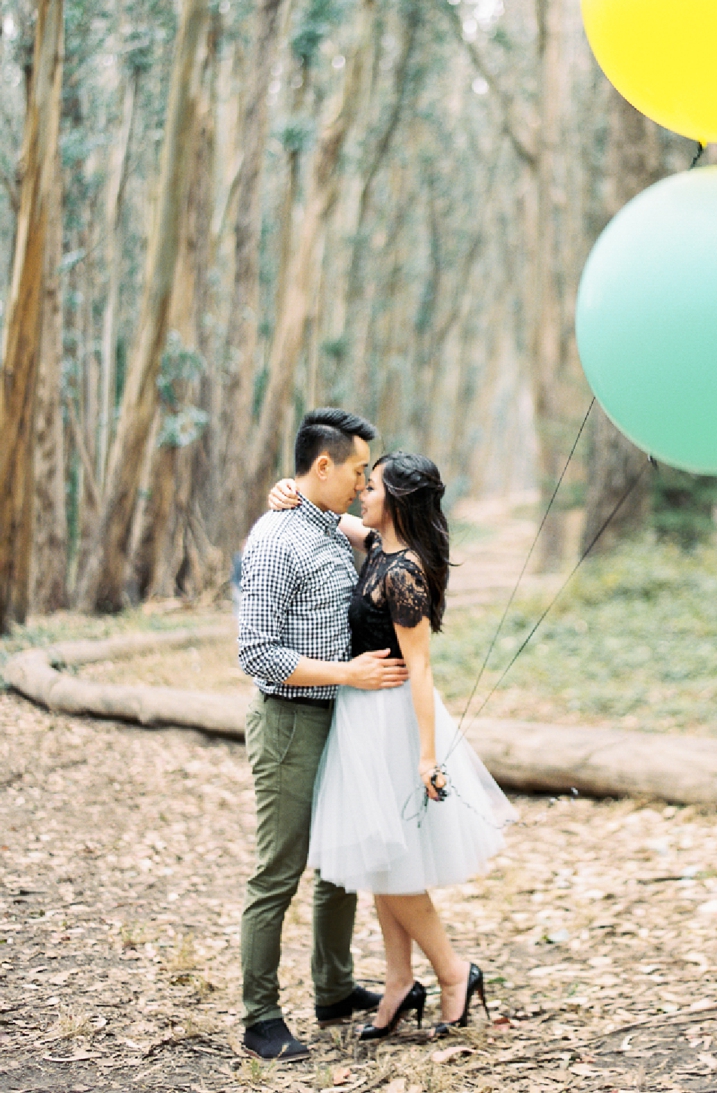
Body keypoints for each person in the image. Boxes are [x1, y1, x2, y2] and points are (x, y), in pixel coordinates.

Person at [268, 451, 514, 1039]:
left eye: (371, 486)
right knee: (382, 861)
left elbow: (422, 670)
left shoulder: (404, 572)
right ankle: (401, 982)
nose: (361, 493)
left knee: (391, 863)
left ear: (396, 501)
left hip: (392, 724)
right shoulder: (379, 548)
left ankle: (454, 973)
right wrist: (288, 492)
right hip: (362, 716)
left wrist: (427, 757)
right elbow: (332, 517)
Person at [237, 408, 410, 1063]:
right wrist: (349, 673)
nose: (365, 482)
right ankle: (260, 1017)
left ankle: (334, 991)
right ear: (323, 466)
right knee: (279, 870)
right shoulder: (277, 540)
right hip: (290, 721)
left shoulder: (331, 528)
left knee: (340, 863)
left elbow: (377, 536)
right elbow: (256, 653)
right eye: (359, 470)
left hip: (343, 716)